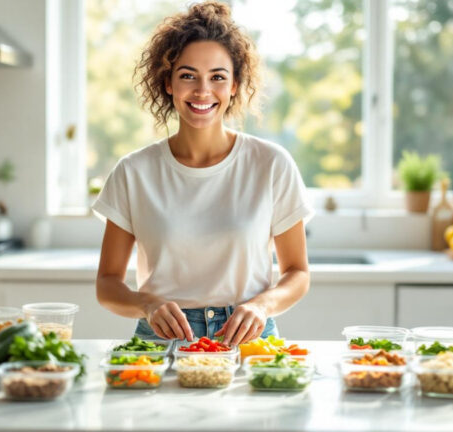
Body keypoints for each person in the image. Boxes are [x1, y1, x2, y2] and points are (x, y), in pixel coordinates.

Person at [92, 1, 314, 346]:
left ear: (235, 86)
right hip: (161, 341)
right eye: (187, 76)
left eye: (217, 77)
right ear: (168, 83)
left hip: (248, 339)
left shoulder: (271, 164)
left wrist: (262, 305)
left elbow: (297, 273)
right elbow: (107, 283)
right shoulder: (133, 172)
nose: (202, 91)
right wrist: (146, 304)